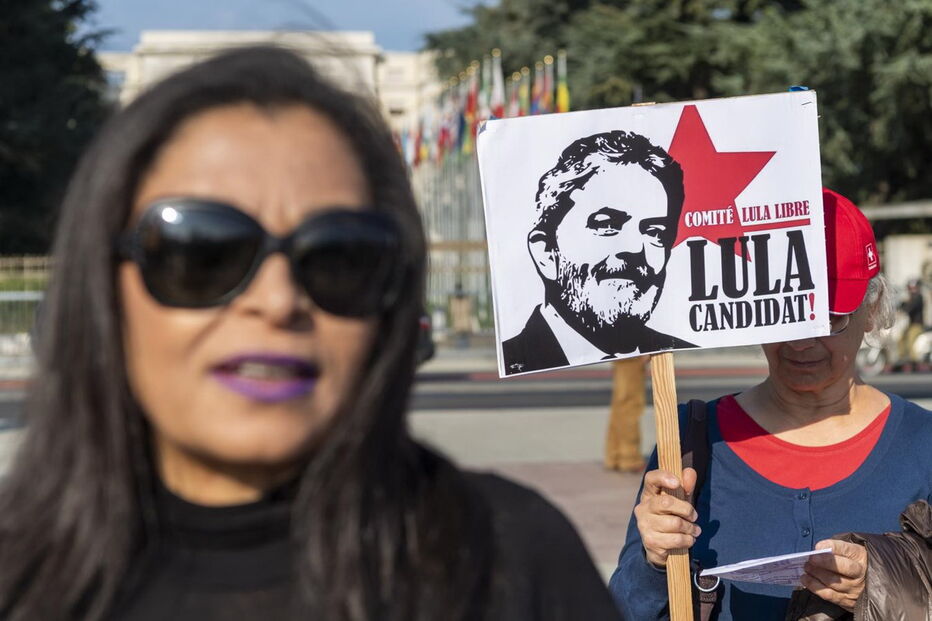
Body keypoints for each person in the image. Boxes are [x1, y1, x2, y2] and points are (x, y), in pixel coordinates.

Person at [0, 47, 621, 621]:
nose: (277, 302)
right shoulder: (21, 575)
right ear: (102, 285)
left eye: (340, 257)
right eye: (202, 251)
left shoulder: (508, 558)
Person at [609, 189, 932, 620]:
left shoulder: (921, 446)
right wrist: (651, 561)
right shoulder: (690, 441)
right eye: (786, 316)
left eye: (830, 318)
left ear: (871, 309)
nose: (802, 341)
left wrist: (884, 586)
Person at [502, 130, 694, 376]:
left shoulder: (679, 353)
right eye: (606, 225)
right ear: (546, 252)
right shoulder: (517, 364)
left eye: (656, 232)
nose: (636, 248)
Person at [604, 356, 648, 472]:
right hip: (632, 352)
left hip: (620, 352)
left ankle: (615, 455)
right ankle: (629, 457)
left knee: (620, 402)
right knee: (630, 403)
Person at [896, 278, 924, 370]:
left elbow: (910, 308)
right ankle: (902, 358)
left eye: (914, 288)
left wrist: (904, 308)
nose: (912, 290)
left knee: (911, 340)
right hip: (909, 325)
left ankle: (914, 361)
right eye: (910, 288)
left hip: (917, 325)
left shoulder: (919, 297)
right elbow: (903, 306)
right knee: (901, 338)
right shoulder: (910, 298)